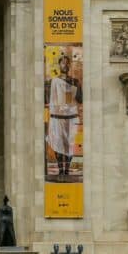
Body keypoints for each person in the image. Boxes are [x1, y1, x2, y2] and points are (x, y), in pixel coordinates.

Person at [46, 54, 82, 182]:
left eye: (67, 63)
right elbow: (49, 99)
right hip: (57, 116)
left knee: (70, 144)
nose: (65, 65)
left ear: (69, 65)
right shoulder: (54, 81)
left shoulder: (75, 81)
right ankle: (61, 169)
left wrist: (78, 88)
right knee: (58, 143)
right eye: (63, 63)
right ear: (59, 65)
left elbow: (80, 99)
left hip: (71, 116)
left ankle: (67, 170)